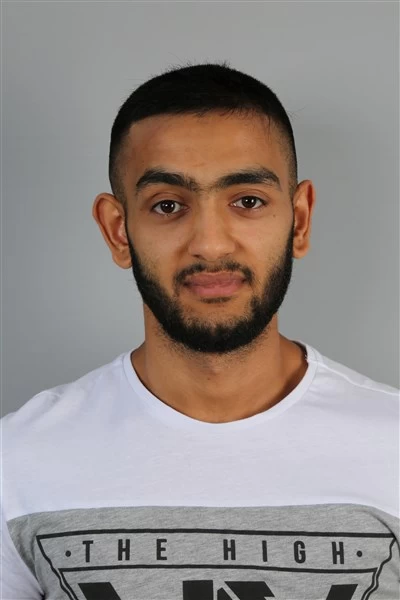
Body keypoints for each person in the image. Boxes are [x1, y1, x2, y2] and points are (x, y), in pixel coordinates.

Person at [1, 60, 399, 600]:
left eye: (248, 201)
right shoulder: (18, 462)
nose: (211, 244)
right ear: (118, 231)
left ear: (300, 220)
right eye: (168, 205)